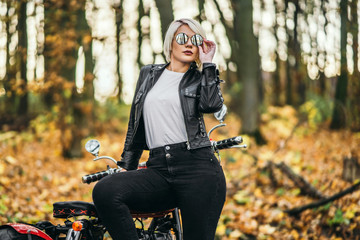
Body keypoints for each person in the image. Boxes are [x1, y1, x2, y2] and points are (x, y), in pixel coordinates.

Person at [92, 18, 226, 240]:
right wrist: (128, 165)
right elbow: (135, 123)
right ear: (170, 43)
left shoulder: (202, 78)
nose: (189, 44)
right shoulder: (149, 74)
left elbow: (212, 105)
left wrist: (208, 64)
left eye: (196, 39)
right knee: (106, 191)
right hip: (159, 169)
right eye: (182, 38)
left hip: (198, 170)